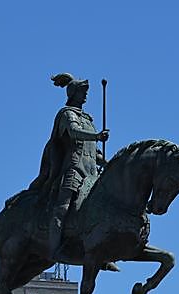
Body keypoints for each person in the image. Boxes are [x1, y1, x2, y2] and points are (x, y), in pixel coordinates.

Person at [29, 73, 118, 271]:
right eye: (82, 91)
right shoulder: (67, 114)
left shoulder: (88, 119)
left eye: (86, 92)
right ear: (73, 93)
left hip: (92, 173)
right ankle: (54, 249)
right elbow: (74, 132)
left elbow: (93, 152)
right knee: (62, 208)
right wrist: (96, 136)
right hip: (74, 169)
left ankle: (104, 251)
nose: (85, 95)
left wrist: (110, 164)